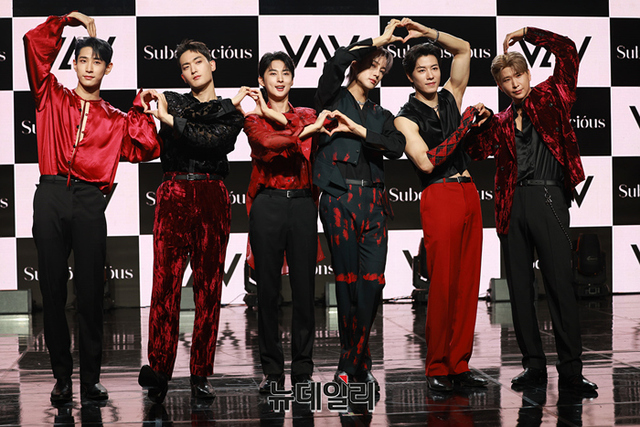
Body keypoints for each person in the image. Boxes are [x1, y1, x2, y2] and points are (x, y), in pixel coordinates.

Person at [23, 12, 161, 404]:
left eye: (96, 62)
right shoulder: (51, 94)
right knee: (52, 291)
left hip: (89, 200)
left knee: (89, 293)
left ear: (107, 68)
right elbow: (33, 44)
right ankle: (61, 379)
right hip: (50, 194)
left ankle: (90, 379)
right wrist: (67, 20)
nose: (88, 67)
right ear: (73, 64)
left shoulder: (116, 119)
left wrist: (140, 108)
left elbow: (147, 147)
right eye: (82, 60)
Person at [465, 27, 597, 393]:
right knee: (520, 291)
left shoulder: (553, 95)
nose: (514, 83)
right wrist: (477, 122)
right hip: (512, 207)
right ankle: (533, 366)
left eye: (518, 75)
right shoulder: (502, 120)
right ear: (500, 84)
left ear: (528, 73)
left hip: (548, 197)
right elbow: (476, 151)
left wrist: (527, 33)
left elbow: (567, 50)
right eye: (506, 80)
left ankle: (571, 371)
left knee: (560, 285)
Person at [138, 40, 245, 402]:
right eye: (185, 66)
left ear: (212, 64)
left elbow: (211, 140)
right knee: (164, 286)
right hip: (174, 192)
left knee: (208, 289)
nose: (193, 69)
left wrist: (172, 118)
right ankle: (159, 372)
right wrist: (171, 112)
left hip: (213, 194)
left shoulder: (232, 114)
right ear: (182, 75)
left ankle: (200, 373)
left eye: (198, 61)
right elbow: (195, 124)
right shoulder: (173, 99)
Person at [394, 18, 488, 392]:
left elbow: (463, 48)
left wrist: (427, 32)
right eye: (422, 70)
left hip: (468, 193)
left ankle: (459, 365)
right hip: (439, 194)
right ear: (410, 77)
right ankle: (436, 367)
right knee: (444, 286)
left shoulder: (451, 94)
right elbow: (426, 162)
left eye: (434, 67)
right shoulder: (404, 118)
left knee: (467, 284)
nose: (431, 75)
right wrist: (465, 126)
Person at [313, 20, 406, 393]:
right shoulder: (331, 99)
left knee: (372, 283)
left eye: (382, 69)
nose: (377, 73)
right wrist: (378, 41)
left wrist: (357, 130)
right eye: (372, 65)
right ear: (358, 65)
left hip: (375, 202)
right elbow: (336, 60)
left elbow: (396, 146)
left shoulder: (382, 114)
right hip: (339, 197)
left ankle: (352, 363)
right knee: (347, 282)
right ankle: (356, 364)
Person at [243, 52, 329, 393]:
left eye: (285, 73)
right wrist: (269, 116)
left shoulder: (306, 114)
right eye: (272, 73)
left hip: (303, 204)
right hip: (268, 204)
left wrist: (295, 124)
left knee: (305, 290)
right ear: (261, 80)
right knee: (267, 292)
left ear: (293, 79)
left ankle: (303, 369)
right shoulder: (253, 119)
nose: (279, 79)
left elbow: (305, 139)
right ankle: (272, 371)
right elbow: (269, 143)